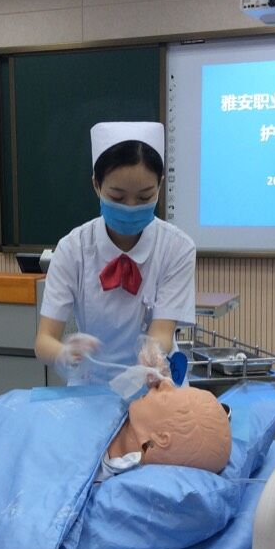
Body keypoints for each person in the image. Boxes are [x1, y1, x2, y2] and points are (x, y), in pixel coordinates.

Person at [34, 121, 197, 385]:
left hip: (153, 384)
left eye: (144, 197)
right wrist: (64, 353)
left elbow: (162, 332)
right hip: (90, 389)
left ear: (160, 185)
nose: (131, 207)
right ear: (96, 185)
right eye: (118, 198)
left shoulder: (176, 248)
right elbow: (44, 340)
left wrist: (152, 354)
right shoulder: (73, 249)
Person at [97, 379, 232, 482]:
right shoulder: (114, 408)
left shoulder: (99, 476)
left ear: (161, 437)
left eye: (165, 397)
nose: (164, 383)